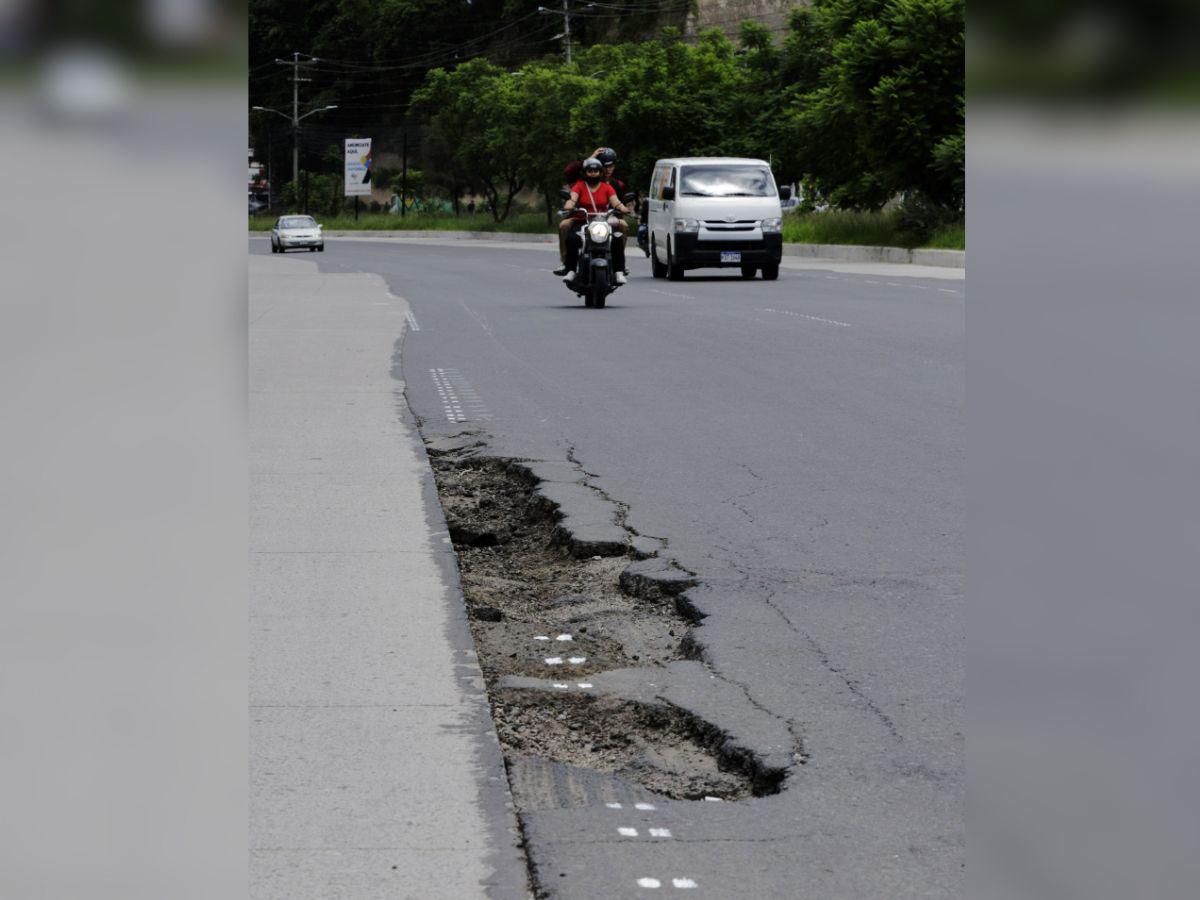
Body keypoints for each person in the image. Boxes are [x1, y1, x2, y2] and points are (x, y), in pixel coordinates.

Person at [559, 157, 633, 284]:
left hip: (603, 221)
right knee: (572, 238)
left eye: (596, 171)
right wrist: (569, 205)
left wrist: (623, 208)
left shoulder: (607, 187)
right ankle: (570, 269)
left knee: (616, 238)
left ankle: (619, 271)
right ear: (585, 173)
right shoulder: (579, 186)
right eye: (590, 171)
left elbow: (616, 202)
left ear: (600, 172)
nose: (593, 173)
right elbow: (572, 199)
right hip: (583, 220)